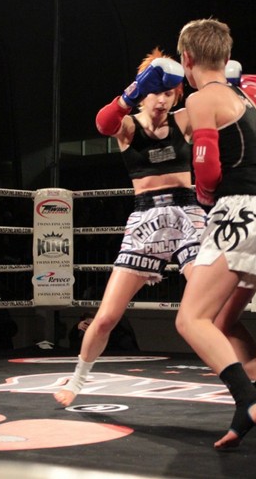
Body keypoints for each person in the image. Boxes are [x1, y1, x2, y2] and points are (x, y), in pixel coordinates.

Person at [53, 48, 206, 407]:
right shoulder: (128, 126)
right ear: (144, 91)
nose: (162, 100)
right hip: (145, 222)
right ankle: (77, 381)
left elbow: (218, 108)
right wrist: (130, 93)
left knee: (209, 308)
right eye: (156, 91)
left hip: (188, 217)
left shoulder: (184, 119)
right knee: (106, 316)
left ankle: (245, 383)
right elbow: (103, 124)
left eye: (169, 93)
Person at [174, 18, 256, 449]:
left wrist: (204, 192)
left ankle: (247, 400)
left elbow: (207, 167)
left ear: (188, 59)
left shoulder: (203, 98)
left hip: (238, 215)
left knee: (190, 319)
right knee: (225, 321)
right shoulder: (244, 99)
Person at [67, 311, 138, 353]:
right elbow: (74, 344)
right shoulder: (82, 335)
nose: (92, 327)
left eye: (94, 324)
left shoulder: (118, 336)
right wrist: (76, 328)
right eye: (88, 324)